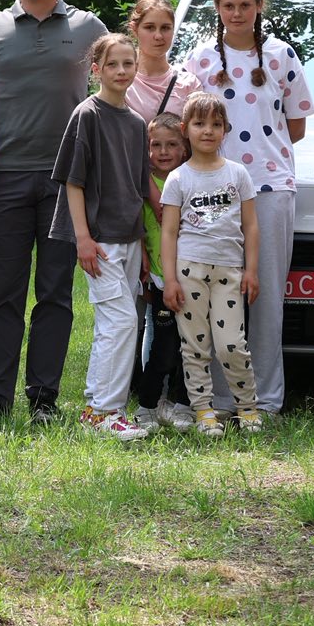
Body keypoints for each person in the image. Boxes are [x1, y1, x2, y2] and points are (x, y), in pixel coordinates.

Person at [0, 0, 109, 424]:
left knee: (55, 293)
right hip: (6, 178)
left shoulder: (89, 27)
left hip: (68, 183)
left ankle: (44, 399)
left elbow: (119, 85)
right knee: (3, 293)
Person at [180, 0, 313, 417]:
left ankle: (265, 399)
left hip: (270, 185)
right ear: (217, 9)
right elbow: (186, 122)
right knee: (217, 293)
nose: (236, 13)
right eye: (228, 6)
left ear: (259, 7)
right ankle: (221, 399)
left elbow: (295, 126)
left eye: (245, 5)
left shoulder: (281, 54)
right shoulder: (200, 59)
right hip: (210, 186)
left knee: (266, 294)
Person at [51, 33, 153, 441]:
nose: (121, 71)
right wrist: (83, 239)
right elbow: (72, 182)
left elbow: (138, 189)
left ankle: (96, 407)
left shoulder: (136, 123)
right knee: (122, 322)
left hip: (130, 238)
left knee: (115, 324)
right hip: (100, 240)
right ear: (96, 70)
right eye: (113, 64)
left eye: (128, 63)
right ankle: (106, 412)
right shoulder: (87, 115)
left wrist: (143, 246)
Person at [160, 93, 262, 437]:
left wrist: (251, 270)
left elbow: (251, 226)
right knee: (195, 346)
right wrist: (170, 280)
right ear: (185, 129)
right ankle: (203, 411)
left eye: (216, 124)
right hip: (189, 271)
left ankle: (247, 408)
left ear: (225, 129)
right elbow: (169, 232)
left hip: (229, 272)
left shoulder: (238, 174)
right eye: (200, 124)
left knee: (231, 345)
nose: (208, 131)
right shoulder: (178, 178)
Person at [130, 112, 193, 432]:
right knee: (163, 346)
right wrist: (142, 257)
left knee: (191, 346)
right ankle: (148, 406)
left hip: (193, 275)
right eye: (156, 145)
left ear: (184, 148)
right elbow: (139, 227)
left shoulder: (191, 179)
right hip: (158, 276)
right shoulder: (143, 184)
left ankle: (184, 405)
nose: (164, 151)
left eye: (171, 145)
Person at [124, 0, 201, 122]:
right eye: (150, 27)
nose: (158, 36)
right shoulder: (121, 79)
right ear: (134, 29)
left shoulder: (188, 84)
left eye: (165, 28)